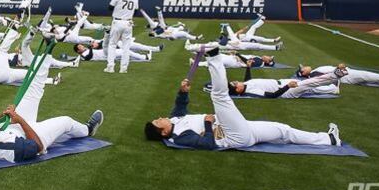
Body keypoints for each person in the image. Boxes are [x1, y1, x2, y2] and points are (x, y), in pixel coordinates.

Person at [143, 46, 341, 149]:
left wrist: (182, 92)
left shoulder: (175, 120)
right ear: (163, 132)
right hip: (231, 135)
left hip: (241, 130)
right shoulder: (180, 138)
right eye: (158, 121)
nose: (161, 117)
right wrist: (208, 124)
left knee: (283, 130)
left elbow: (179, 108)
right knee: (220, 96)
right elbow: (207, 144)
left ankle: (328, 139)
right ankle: (214, 58)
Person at [0, 41, 104, 163]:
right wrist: (20, 121)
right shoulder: (13, 149)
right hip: (31, 134)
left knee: (33, 89)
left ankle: (49, 48)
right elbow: (38, 147)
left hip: (14, 127)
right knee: (66, 121)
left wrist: (6, 115)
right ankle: (88, 129)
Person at [222, 58, 344, 98]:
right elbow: (273, 96)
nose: (237, 81)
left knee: (310, 88)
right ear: (238, 90)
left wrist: (248, 67)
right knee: (310, 83)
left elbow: (248, 80)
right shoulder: (251, 91)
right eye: (235, 84)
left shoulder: (246, 84)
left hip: (282, 83)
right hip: (286, 91)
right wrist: (287, 86)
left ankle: (333, 89)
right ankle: (335, 75)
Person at [106, 0, 139, 74]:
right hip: (128, 23)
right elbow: (135, 12)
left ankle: (110, 67)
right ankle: (123, 68)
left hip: (117, 22)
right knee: (126, 47)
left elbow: (110, 8)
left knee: (112, 44)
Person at [297, 63, 379, 88]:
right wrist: (339, 68)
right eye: (303, 68)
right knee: (366, 75)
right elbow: (331, 78)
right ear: (304, 73)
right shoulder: (314, 75)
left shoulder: (314, 71)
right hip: (346, 76)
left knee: (378, 82)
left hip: (346, 74)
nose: (305, 66)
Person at [70, 42, 150, 63]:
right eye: (80, 47)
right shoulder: (83, 55)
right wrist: (91, 48)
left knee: (126, 53)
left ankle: (143, 57)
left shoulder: (86, 50)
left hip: (106, 52)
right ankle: (145, 57)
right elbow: (88, 57)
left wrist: (95, 46)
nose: (82, 46)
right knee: (126, 52)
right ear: (78, 51)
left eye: (81, 45)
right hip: (106, 55)